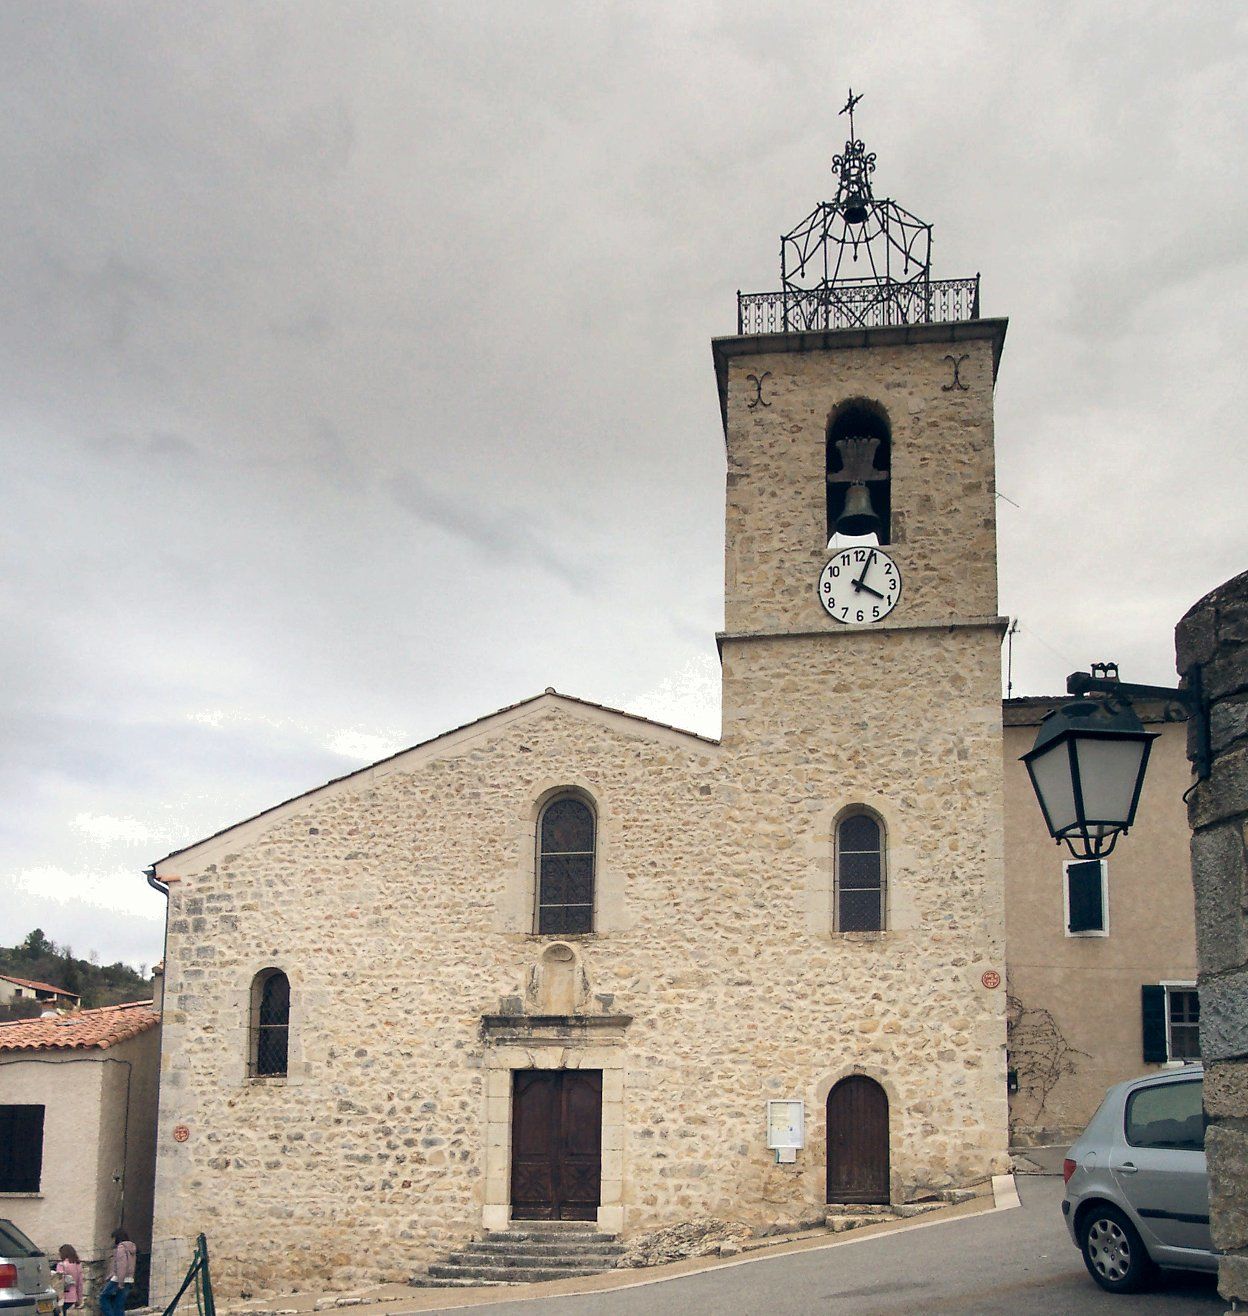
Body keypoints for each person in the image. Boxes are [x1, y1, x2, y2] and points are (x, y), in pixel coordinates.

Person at [98, 1231, 135, 1316]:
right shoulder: (131, 1248)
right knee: (119, 1304)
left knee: (103, 1298)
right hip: (129, 1278)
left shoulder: (121, 1248)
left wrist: (120, 1282)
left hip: (118, 1279)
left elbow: (122, 1265)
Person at [54, 1245, 83, 1316]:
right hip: (73, 1297)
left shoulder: (61, 1265)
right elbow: (80, 1283)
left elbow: (59, 1283)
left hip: (62, 1298)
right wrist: (79, 1298)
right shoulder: (78, 1265)